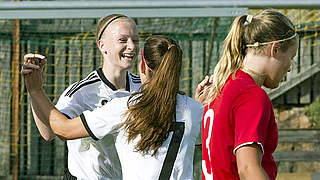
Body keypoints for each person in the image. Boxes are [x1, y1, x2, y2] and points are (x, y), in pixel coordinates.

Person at [22, 35, 203, 180]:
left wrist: (36, 90)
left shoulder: (125, 108)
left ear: (142, 65)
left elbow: (62, 129)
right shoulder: (195, 110)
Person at [25, 14, 141, 180]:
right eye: (123, 40)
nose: (131, 46)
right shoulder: (82, 92)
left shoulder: (144, 89)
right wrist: (35, 91)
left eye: (135, 40)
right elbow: (49, 132)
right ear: (102, 46)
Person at [199, 10, 298, 180]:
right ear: (274, 49)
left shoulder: (221, 87)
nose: (290, 66)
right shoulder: (250, 95)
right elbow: (247, 168)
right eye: (291, 57)